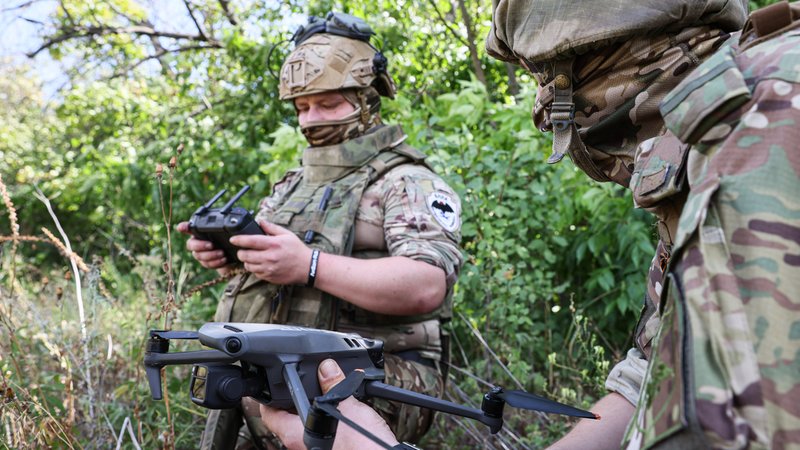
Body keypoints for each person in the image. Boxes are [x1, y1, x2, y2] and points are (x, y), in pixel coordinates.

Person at [254, 1, 800, 449]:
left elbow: (427, 282)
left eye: (558, 89)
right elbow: (651, 376)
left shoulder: (765, 134)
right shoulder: (712, 152)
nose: (545, 115)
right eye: (302, 108)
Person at [177, 12, 463, 450]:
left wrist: (307, 265)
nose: (310, 120)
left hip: (376, 371)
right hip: (284, 368)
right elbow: (275, 265)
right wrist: (233, 256)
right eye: (302, 107)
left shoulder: (406, 181)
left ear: (367, 100)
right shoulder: (294, 184)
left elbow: (426, 286)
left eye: (328, 105)